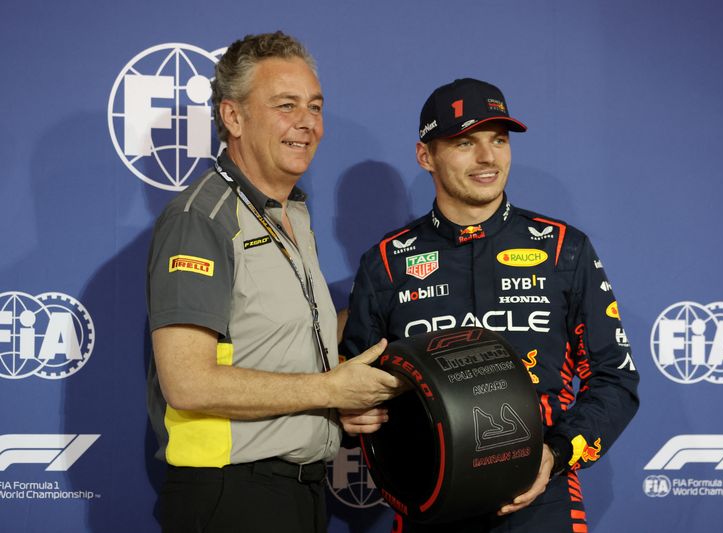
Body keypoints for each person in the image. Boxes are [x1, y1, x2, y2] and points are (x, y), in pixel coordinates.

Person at [340, 78, 640, 532]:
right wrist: (352, 410)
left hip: (542, 499)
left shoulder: (564, 249)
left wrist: (554, 455)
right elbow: (355, 381)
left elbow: (615, 380)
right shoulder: (387, 261)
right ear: (426, 156)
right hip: (428, 501)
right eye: (465, 142)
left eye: (498, 141)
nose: (488, 158)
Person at [145, 32, 403, 533]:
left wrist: (396, 321)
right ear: (233, 117)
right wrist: (331, 389)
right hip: (230, 496)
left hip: (299, 494)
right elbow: (188, 382)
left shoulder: (292, 214)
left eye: (315, 106)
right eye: (286, 106)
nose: (307, 123)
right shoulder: (202, 218)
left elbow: (278, 343)